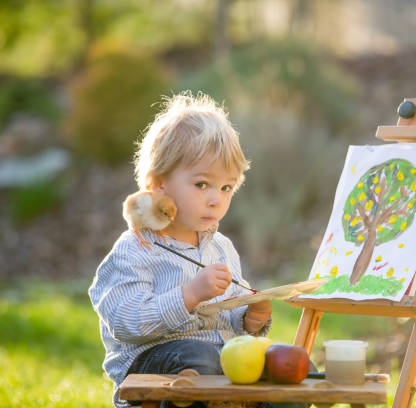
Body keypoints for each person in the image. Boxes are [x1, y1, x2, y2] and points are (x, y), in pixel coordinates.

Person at [89, 92, 276, 408]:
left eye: (226, 187)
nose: (215, 199)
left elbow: (225, 324)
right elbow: (124, 322)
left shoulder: (222, 248)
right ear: (158, 184)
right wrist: (189, 294)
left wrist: (248, 319)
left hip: (217, 365)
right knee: (198, 356)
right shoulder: (135, 249)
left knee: (284, 366)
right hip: (151, 368)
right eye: (202, 184)